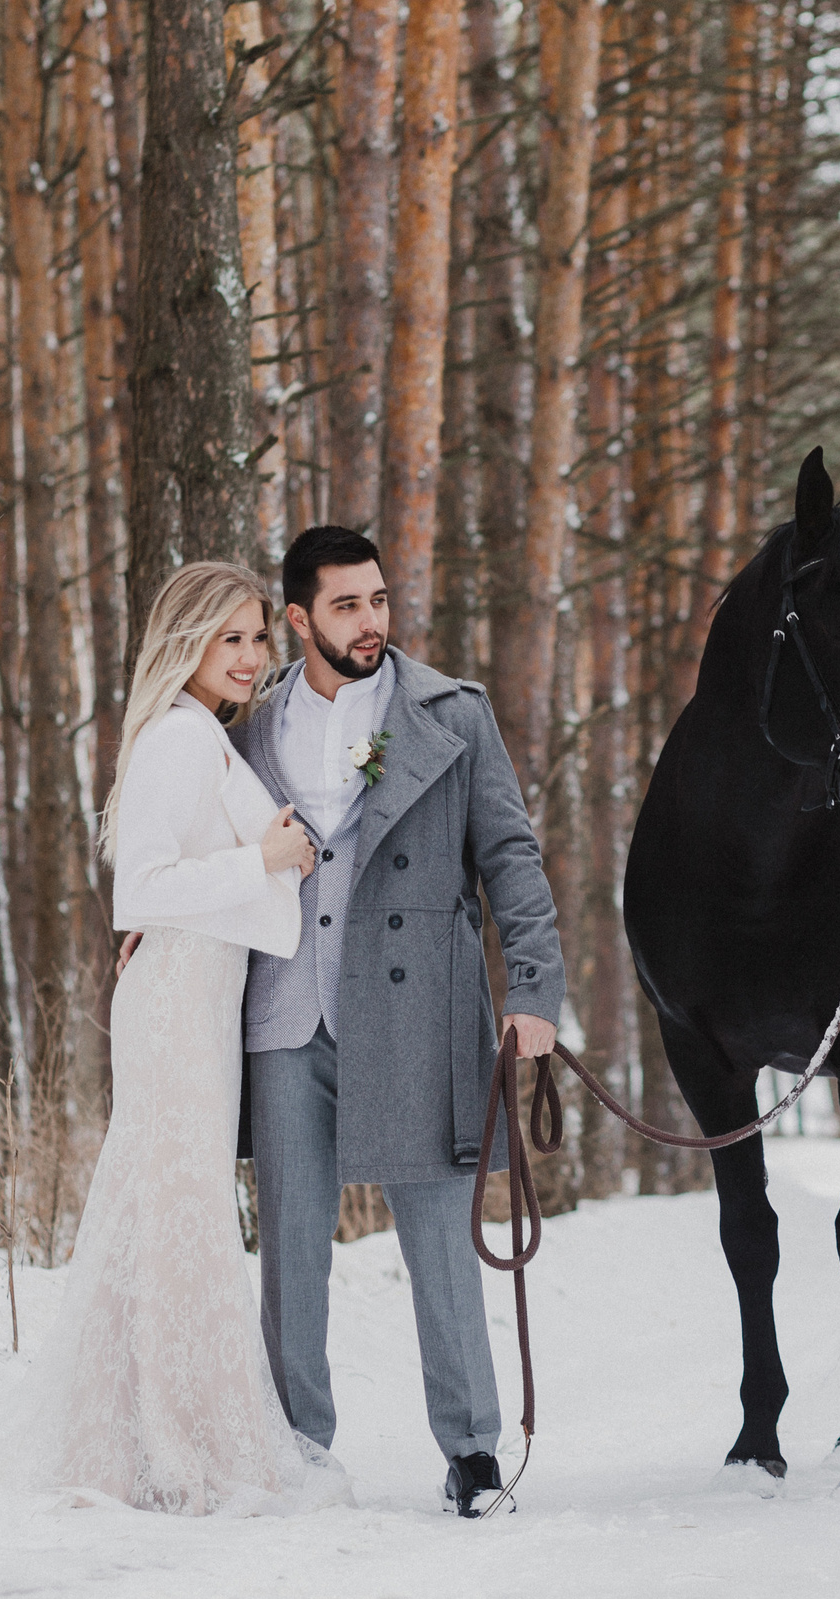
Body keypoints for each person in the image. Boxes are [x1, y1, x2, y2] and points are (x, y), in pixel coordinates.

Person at [232, 526, 566, 1519]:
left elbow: (511, 857)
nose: (370, 621)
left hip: (421, 1008)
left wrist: (534, 996)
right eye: (345, 606)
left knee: (438, 1241)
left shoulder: (451, 716)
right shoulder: (249, 730)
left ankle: (470, 1451)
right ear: (298, 619)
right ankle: (298, 1451)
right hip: (286, 1012)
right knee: (292, 1254)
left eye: (377, 600)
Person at [32, 560, 349, 1516]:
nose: (253, 657)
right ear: (189, 644)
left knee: (166, 1210)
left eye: (259, 637)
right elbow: (141, 891)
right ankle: (178, 1446)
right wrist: (261, 857)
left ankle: (131, 1440)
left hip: (202, 996)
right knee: (178, 1214)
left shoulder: (205, 738)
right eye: (233, 639)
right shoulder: (178, 735)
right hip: (174, 1000)